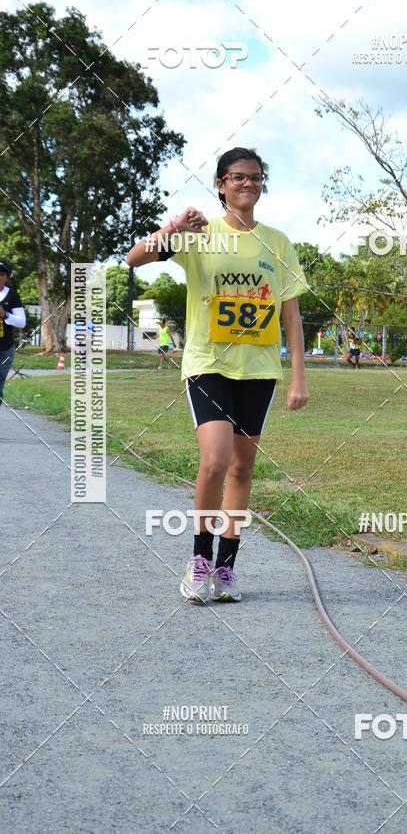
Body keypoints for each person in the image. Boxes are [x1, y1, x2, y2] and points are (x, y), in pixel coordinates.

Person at [127, 147, 309, 603]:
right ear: (221, 184)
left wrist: (299, 377)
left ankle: (226, 568)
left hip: (259, 369)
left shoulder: (279, 243)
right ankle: (199, 557)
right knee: (215, 461)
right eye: (239, 177)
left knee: (243, 469)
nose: (249, 183)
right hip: (208, 364)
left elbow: (291, 316)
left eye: (257, 177)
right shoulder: (199, 235)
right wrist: (171, 229)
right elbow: (133, 258)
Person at [0, 259, 26, 412]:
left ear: (7, 277)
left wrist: (5, 314)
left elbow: (22, 322)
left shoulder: (12, 295)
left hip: (4, 350)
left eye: (2, 274)